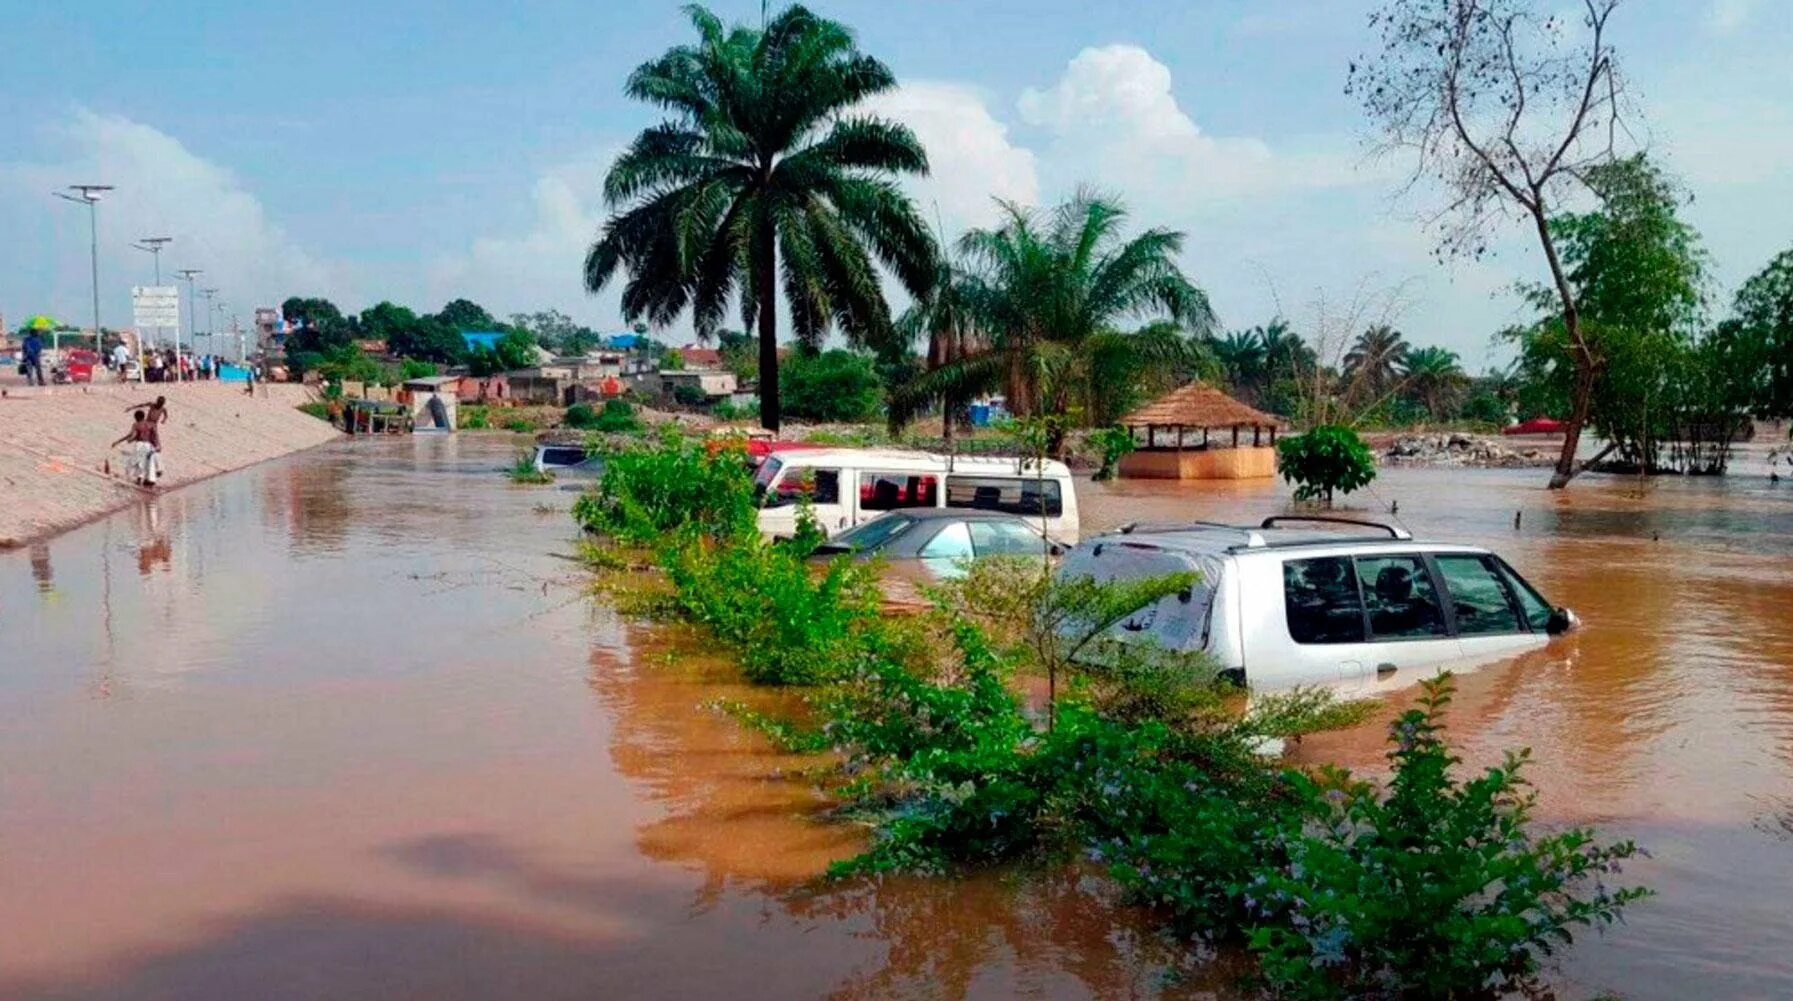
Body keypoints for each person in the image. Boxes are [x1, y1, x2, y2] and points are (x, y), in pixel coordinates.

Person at [112, 409, 162, 487]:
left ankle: (131, 480)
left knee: (133, 462)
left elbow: (131, 435)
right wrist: (158, 445)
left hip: (140, 444)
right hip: (148, 445)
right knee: (143, 463)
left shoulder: (136, 424)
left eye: (135, 417)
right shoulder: (150, 424)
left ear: (137, 417)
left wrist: (119, 441)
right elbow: (155, 436)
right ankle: (141, 479)